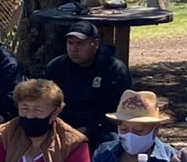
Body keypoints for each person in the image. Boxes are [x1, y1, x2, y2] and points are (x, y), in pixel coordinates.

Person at [44, 20, 133, 149]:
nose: (74, 49)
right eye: (70, 43)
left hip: (100, 127)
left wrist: (89, 129)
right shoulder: (56, 67)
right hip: (61, 124)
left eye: (80, 44)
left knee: (110, 142)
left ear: (95, 43)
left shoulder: (115, 70)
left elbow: (120, 110)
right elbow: (45, 101)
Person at [86, 90, 177, 162]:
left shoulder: (171, 159)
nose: (130, 135)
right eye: (124, 129)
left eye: (138, 130)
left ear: (155, 130)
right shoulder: (104, 153)